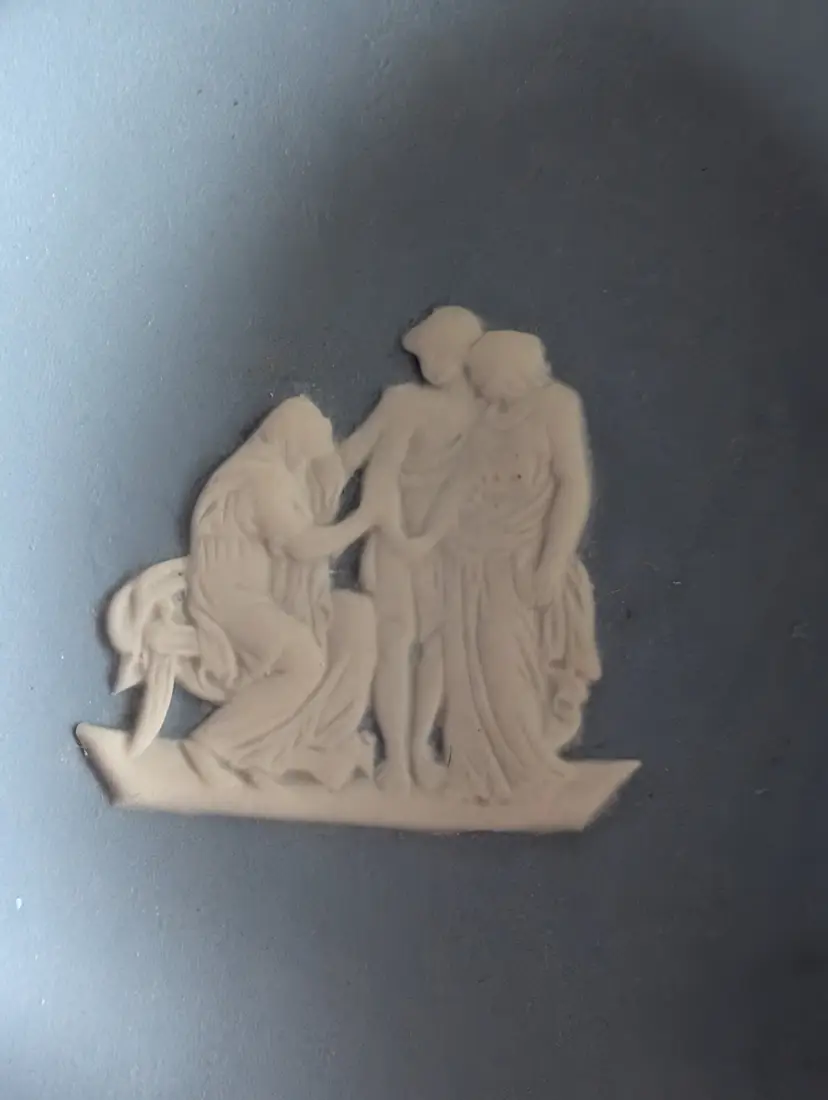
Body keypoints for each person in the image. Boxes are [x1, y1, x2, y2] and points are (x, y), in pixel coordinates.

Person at [397, 331, 601, 801]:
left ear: (508, 368)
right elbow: (459, 485)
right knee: (465, 670)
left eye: (481, 375)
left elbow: (573, 485)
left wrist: (553, 561)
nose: (477, 385)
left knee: (503, 661)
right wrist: (425, 540)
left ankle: (524, 771)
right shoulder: (485, 416)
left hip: (520, 558)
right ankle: (474, 772)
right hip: (467, 557)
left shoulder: (556, 405)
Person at [181, 396, 376, 789]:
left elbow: (312, 514)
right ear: (293, 441)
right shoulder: (261, 478)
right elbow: (300, 544)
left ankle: (275, 749)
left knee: (356, 619)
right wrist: (364, 521)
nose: (307, 464)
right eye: (307, 452)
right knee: (304, 660)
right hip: (232, 600)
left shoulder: (278, 477)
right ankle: (211, 743)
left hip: (262, 598)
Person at [330, 306, 486, 790]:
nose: (431, 363)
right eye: (425, 354)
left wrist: (431, 539)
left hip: (448, 545)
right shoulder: (401, 403)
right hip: (393, 534)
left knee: (440, 644)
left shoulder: (484, 416)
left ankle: (420, 748)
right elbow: (359, 459)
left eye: (443, 351)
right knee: (394, 641)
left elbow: (476, 486)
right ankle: (396, 756)